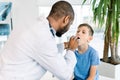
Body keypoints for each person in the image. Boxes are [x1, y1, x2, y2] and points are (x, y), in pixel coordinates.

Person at [0, 1, 78, 80]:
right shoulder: (43, 36)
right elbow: (65, 74)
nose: (69, 28)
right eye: (70, 24)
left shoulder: (35, 26)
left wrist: (64, 45)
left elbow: (44, 51)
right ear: (66, 19)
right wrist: (71, 50)